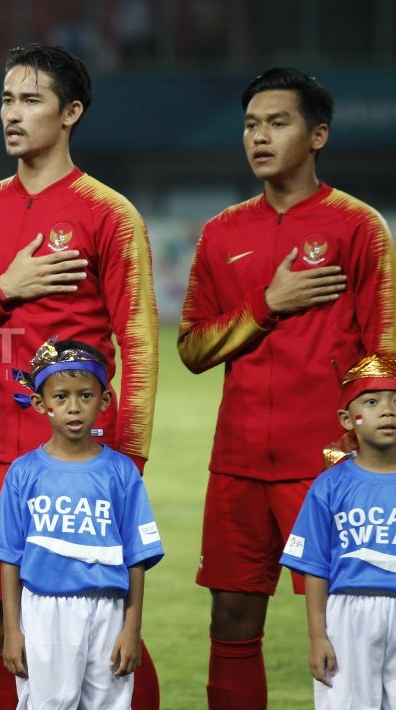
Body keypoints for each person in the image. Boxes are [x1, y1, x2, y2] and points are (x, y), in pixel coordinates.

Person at [0, 45, 160, 710]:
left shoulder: (108, 213)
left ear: (71, 112)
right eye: (5, 100)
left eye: (30, 100)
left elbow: (138, 344)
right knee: (8, 625)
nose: (12, 114)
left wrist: (126, 462)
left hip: (83, 457)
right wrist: (2, 290)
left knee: (106, 623)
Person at [178, 67, 396, 709]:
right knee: (232, 625)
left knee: (346, 630)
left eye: (278, 122)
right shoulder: (222, 232)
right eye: (250, 124)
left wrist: (359, 449)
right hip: (239, 463)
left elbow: (383, 350)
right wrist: (266, 304)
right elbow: (191, 347)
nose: (260, 137)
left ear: (318, 134)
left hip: (328, 466)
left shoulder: (358, 227)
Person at [0, 339, 163, 709]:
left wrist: (132, 628)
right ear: (39, 403)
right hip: (44, 611)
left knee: (107, 704)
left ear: (105, 400)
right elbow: (9, 558)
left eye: (85, 395)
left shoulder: (121, 473)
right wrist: (13, 630)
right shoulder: (23, 473)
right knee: (50, 703)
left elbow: (137, 558)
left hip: (107, 609)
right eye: (61, 397)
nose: (74, 407)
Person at [279, 353, 396, 709]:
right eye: (372, 402)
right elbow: (315, 565)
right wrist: (318, 636)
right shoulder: (329, 486)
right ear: (348, 419)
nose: (388, 410)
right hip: (348, 615)